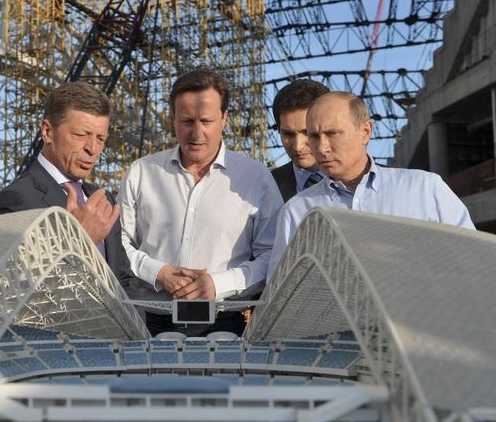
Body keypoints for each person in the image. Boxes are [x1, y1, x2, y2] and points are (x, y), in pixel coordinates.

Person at [118, 68, 284, 336]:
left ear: (224, 118)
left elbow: (273, 256)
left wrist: (217, 285)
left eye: (206, 121)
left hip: (225, 324)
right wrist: (159, 272)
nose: (196, 133)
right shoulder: (141, 172)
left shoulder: (256, 179)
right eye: (187, 121)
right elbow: (119, 244)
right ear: (173, 119)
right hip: (148, 322)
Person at [267, 91, 475, 278]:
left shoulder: (425, 190)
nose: (321, 148)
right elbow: (282, 295)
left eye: (333, 134)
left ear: (366, 131)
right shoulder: (295, 212)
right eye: (314, 136)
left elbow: (474, 263)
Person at [0, 81, 135, 290]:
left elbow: (124, 280)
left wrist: (134, 323)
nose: (92, 149)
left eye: (100, 138)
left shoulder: (103, 201)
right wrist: (79, 241)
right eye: (80, 135)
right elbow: (12, 292)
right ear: (47, 132)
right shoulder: (15, 200)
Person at [270, 79, 330, 202]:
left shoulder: (372, 182)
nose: (298, 146)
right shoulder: (266, 185)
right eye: (288, 134)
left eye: (307, 133)